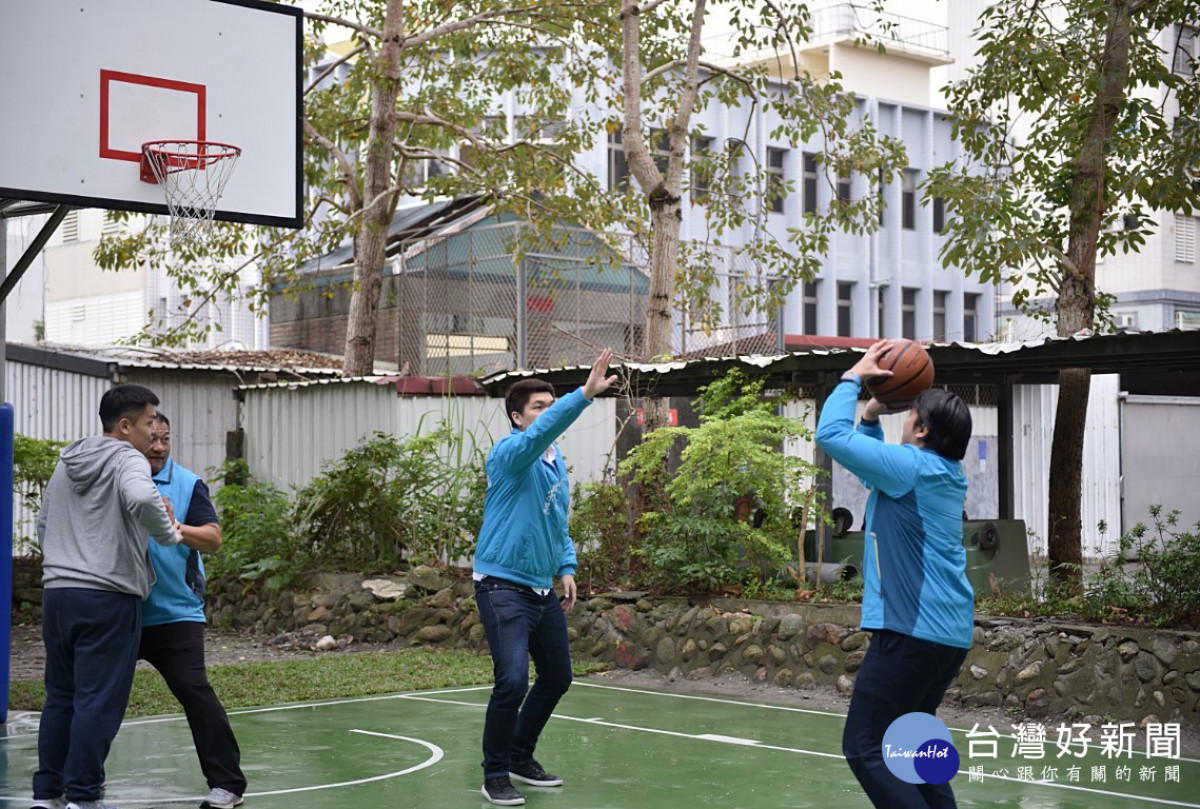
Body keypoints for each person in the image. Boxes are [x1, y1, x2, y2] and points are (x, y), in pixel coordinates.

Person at [813, 340, 975, 809]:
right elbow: (872, 472)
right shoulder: (938, 472)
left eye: (910, 415)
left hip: (911, 632)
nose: (903, 418)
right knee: (914, 747)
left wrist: (853, 377)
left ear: (921, 431)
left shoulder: (912, 468)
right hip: (946, 634)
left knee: (866, 747)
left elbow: (829, 436)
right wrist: (870, 415)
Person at [473, 348, 618, 806]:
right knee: (513, 681)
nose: (547, 411)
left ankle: (520, 756)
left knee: (557, 677)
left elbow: (556, 520)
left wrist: (566, 566)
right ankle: (495, 774)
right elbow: (541, 432)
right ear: (517, 418)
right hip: (501, 586)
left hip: (541, 589)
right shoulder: (510, 454)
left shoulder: (553, 461)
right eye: (539, 406)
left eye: (550, 404)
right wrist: (583, 395)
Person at [33, 384, 184, 809]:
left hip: (58, 595)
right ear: (125, 426)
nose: (154, 431)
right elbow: (140, 495)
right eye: (149, 421)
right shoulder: (127, 458)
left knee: (61, 697)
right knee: (97, 701)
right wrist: (168, 533)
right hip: (107, 598)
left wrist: (64, 562)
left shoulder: (68, 461)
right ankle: (83, 797)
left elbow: (44, 523)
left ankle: (47, 795)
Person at [139, 413, 247, 809]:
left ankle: (227, 784)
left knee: (195, 693)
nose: (159, 447)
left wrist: (175, 526)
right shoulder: (116, 477)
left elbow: (214, 539)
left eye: (165, 439)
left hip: (176, 613)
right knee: (99, 697)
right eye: (152, 438)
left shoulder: (187, 483)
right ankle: (81, 782)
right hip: (121, 610)